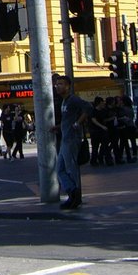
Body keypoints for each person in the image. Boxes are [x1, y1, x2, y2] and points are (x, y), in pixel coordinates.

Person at [52, 76, 90, 209]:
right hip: (65, 139)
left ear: (68, 86)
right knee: (60, 169)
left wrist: (77, 124)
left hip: (72, 139)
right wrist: (58, 127)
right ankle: (71, 191)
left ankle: (75, 196)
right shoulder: (64, 101)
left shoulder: (73, 99)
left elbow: (88, 107)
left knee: (71, 168)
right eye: (57, 84)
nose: (58, 86)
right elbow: (66, 120)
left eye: (61, 84)